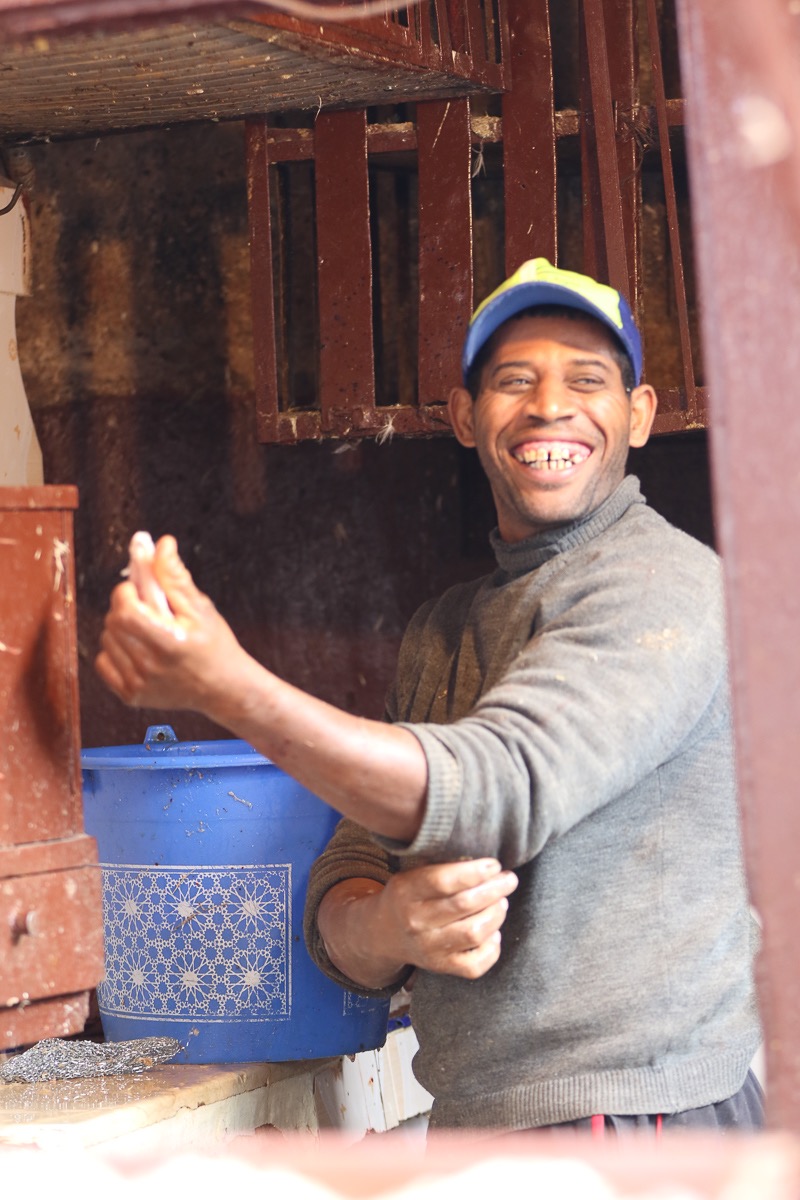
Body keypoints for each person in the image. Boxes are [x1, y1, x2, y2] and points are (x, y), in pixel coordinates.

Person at [95, 257, 763, 1135]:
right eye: (513, 380)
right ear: (465, 418)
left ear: (637, 417)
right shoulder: (443, 629)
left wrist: (228, 686)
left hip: (636, 1119)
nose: (549, 405)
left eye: (587, 379)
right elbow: (354, 870)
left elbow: (497, 789)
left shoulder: (668, 587)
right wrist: (388, 929)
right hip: (491, 1121)